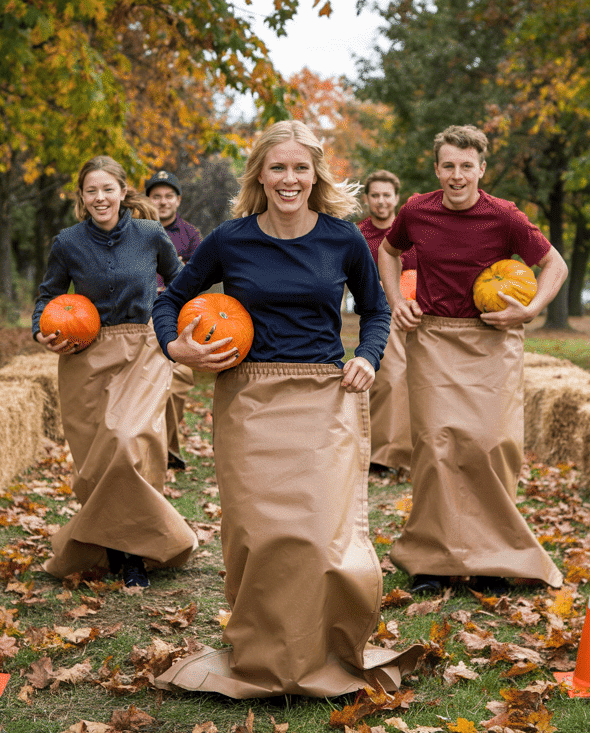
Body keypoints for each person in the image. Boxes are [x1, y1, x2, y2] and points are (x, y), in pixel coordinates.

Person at [151, 120, 419, 698]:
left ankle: (322, 649)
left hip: (324, 397)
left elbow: (375, 311)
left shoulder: (343, 239)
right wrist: (177, 346)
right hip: (248, 399)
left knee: (323, 533)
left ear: (315, 174)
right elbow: (171, 299)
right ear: (260, 176)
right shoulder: (229, 239)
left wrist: (369, 358)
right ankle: (263, 652)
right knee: (256, 534)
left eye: (300, 168)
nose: (289, 179)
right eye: (278, 168)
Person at [376, 125, 568, 597]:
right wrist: (394, 299)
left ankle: (492, 560)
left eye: (466, 166)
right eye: (448, 166)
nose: (457, 175)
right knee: (437, 447)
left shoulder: (504, 216)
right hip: (434, 339)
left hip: (492, 342)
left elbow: (555, 265)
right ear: (436, 168)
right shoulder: (417, 210)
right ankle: (433, 562)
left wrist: (530, 309)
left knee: (492, 444)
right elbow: (388, 250)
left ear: (482, 169)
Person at [33, 155, 198, 590]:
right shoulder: (67, 242)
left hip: (142, 349)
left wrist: (177, 325)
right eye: (92, 191)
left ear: (123, 191)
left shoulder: (149, 234)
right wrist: (41, 331)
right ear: (82, 197)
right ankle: (117, 550)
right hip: (84, 354)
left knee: (127, 443)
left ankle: (136, 558)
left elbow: (180, 282)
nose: (100, 197)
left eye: (108, 189)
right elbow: (48, 296)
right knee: (97, 462)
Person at [357, 170, 415, 476]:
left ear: (396, 197)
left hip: (418, 311)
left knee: (414, 381)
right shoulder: (359, 235)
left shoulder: (410, 230)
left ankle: (409, 453)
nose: (381, 201)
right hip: (379, 313)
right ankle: (382, 455)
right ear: (367, 199)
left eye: (386, 195)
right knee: (389, 381)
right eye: (375, 195)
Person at [145, 170, 203, 472]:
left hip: (179, 315)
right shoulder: (136, 230)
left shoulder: (190, 235)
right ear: (148, 200)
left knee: (177, 385)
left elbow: (197, 276)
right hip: (143, 314)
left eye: (169, 196)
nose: (163, 201)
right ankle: (157, 449)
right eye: (157, 196)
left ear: (178, 200)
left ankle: (166, 446)